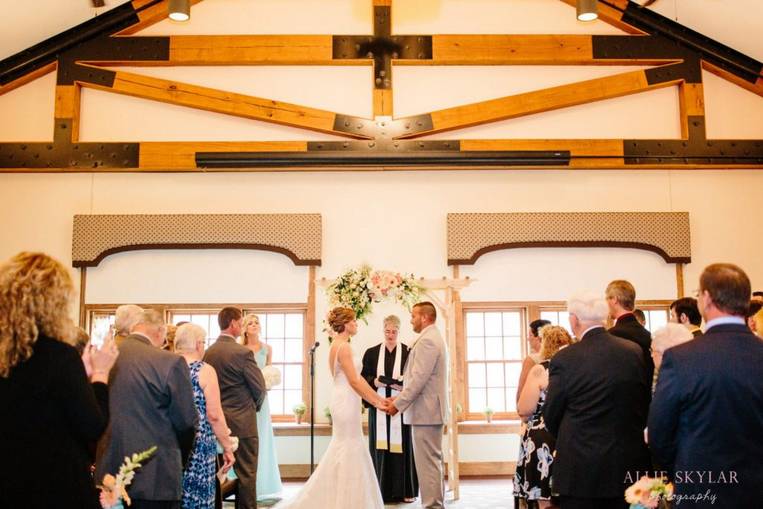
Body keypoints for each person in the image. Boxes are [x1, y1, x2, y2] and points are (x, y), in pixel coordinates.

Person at [0, 252, 118, 509]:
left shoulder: (6, 356)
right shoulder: (59, 355)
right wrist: (100, 374)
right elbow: (91, 425)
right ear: (54, 303)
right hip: (55, 485)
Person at [649, 264, 763, 507]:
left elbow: (660, 433)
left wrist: (683, 469)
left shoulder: (681, 358)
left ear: (707, 298)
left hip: (700, 486)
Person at [544, 291, 650, 509]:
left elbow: (551, 413)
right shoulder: (633, 352)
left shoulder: (565, 358)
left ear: (574, 320)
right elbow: (642, 402)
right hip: (626, 458)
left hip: (579, 462)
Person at [282, 307, 388, 509]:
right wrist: (376, 402)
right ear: (346, 324)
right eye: (354, 321)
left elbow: (355, 380)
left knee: (347, 444)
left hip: (345, 397)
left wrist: (377, 400)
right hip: (346, 400)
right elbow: (355, 382)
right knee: (349, 444)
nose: (356, 324)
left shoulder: (338, 345)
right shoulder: (344, 347)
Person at [97, 310, 197, 509]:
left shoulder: (103, 357)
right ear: (160, 331)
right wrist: (179, 460)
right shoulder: (170, 362)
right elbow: (187, 422)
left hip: (109, 470)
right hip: (157, 475)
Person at [204, 307, 267, 509]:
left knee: (216, 474)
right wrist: (252, 408)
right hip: (243, 423)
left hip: (214, 423)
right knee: (246, 474)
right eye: (240, 323)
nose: (241, 327)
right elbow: (259, 389)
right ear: (232, 324)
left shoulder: (208, 353)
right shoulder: (243, 353)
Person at [388, 302, 448, 509]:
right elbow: (416, 378)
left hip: (426, 412)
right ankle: (435, 504)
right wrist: (398, 398)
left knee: (428, 466)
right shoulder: (432, 337)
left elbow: (418, 379)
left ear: (424, 317)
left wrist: (398, 404)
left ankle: (432, 506)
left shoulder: (428, 341)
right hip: (429, 411)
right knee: (432, 464)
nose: (411, 320)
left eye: (413, 316)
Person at [175, 323, 236, 509]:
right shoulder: (204, 370)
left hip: (173, 443)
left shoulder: (166, 367)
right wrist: (227, 447)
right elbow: (214, 415)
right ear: (198, 344)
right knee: (199, 499)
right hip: (199, 444)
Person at [361, 315, 418, 504]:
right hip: (379, 405)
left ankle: (405, 490)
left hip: (400, 406)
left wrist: (403, 387)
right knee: (380, 447)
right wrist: (375, 381)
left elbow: (415, 377)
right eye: (387, 331)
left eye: (394, 331)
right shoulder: (371, 352)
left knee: (403, 448)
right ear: (383, 330)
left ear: (399, 331)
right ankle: (381, 491)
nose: (391, 335)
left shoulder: (409, 352)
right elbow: (363, 379)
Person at [514, 325, 572, 508]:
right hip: (572, 434)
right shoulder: (579, 368)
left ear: (546, 345)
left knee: (544, 496)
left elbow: (524, 409)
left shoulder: (540, 370)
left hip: (543, 438)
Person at [240, 314, 283, 501]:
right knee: (247, 439)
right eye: (250, 323)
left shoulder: (267, 349)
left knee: (262, 438)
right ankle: (244, 485)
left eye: (256, 322)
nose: (254, 325)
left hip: (262, 399)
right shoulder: (240, 349)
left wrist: (268, 381)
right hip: (244, 398)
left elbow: (268, 370)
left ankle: (263, 485)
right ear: (244, 328)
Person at [606, 280, 654, 391]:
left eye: (607, 298)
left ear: (614, 300)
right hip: (645, 402)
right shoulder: (647, 335)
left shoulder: (612, 335)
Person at [649, 323, 693, 392]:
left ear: (663, 353)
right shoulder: (691, 370)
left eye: (652, 350)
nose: (651, 355)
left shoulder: (671, 380)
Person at [516, 319, 551, 402]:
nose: (528, 339)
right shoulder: (560, 356)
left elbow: (522, 389)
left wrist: (519, 405)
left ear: (538, 337)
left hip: (536, 406)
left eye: (530, 335)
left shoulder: (531, 360)